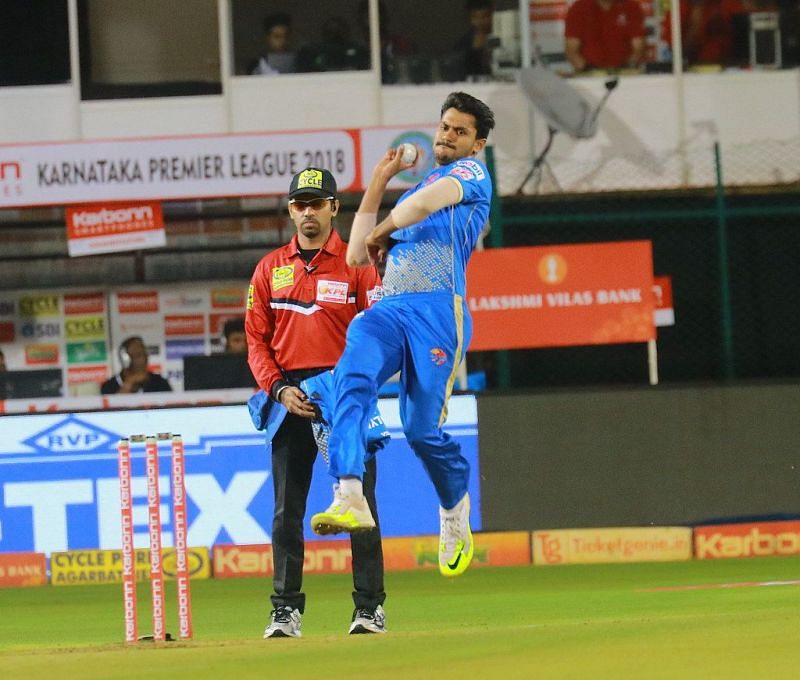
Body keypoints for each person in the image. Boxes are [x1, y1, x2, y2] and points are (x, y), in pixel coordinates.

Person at [310, 92, 495, 578]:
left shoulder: (472, 175)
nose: (447, 135)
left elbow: (422, 205)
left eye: (460, 131)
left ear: (477, 143)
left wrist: (385, 228)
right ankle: (349, 490)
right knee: (352, 375)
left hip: (438, 311)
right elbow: (354, 255)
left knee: (419, 430)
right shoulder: (417, 188)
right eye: (445, 126)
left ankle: (454, 506)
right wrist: (378, 181)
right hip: (390, 309)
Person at [245, 167, 387, 638]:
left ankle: (369, 608)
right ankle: (285, 610)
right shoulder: (270, 268)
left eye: (317, 203)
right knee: (288, 509)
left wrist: (350, 386)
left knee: (360, 503)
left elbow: (377, 333)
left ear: (333, 208)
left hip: (344, 395)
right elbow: (255, 342)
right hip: (290, 397)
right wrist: (280, 390)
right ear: (290, 210)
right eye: (299, 204)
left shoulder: (357, 266)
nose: (308, 212)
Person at [565, 0, 646, 72]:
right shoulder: (579, 8)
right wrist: (589, 71)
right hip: (587, 75)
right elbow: (571, 51)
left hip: (625, 74)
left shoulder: (631, 7)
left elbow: (638, 48)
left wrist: (625, 69)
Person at [296, 16, 370, 72]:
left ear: (347, 33)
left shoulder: (359, 51)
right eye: (331, 32)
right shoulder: (312, 52)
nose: (335, 36)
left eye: (339, 32)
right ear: (324, 34)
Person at [100, 336, 172, 394]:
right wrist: (129, 383)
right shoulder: (109, 386)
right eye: (138, 355)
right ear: (125, 360)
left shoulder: (160, 383)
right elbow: (112, 409)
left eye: (145, 354)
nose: (144, 358)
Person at [454, 0, 495, 79]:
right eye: (475, 17)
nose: (480, 22)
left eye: (485, 16)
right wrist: (475, 51)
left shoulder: (503, 37)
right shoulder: (462, 44)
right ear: (469, 18)